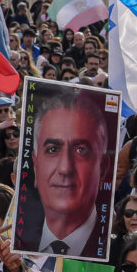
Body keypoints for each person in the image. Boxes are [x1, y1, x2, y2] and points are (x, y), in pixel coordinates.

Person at [19, 84, 111, 253]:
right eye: (53, 150)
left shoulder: (116, 250)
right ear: (35, 164)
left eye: (81, 150)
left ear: (103, 168)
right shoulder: (19, 243)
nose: (65, 168)